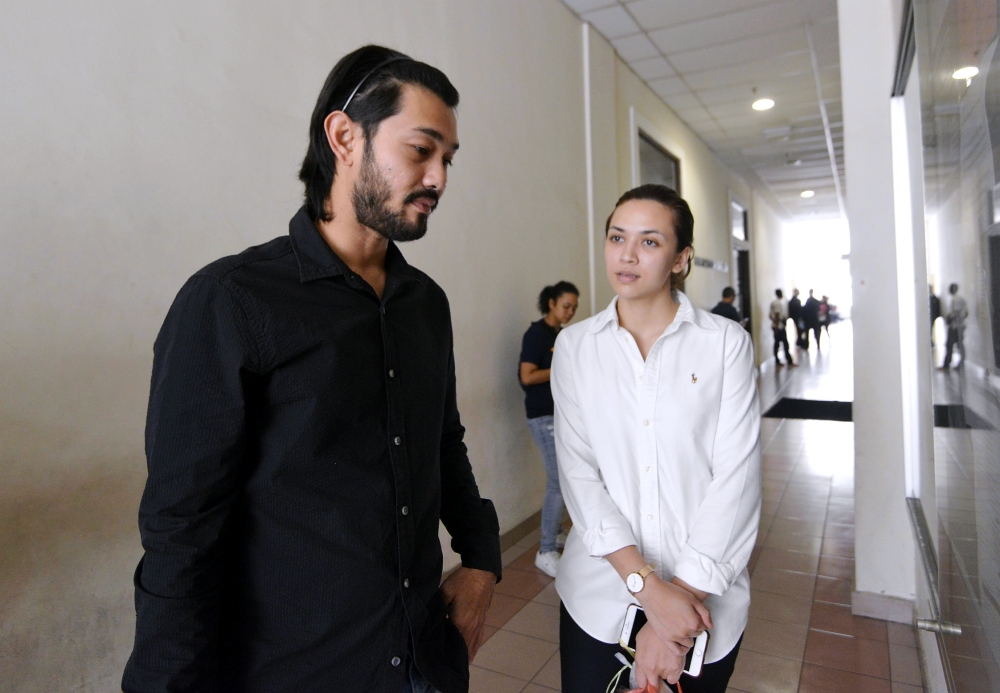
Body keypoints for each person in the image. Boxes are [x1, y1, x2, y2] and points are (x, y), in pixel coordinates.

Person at [122, 45, 502, 693]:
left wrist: (483, 558)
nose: (439, 177)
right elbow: (181, 531)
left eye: (449, 159)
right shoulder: (232, 301)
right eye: (421, 149)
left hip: (423, 661)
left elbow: (443, 441)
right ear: (344, 135)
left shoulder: (425, 305)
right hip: (297, 671)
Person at [552, 185, 761, 693]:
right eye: (617, 237)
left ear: (680, 258)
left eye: (649, 242)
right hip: (598, 600)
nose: (626, 254)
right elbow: (580, 477)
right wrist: (649, 591)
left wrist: (675, 609)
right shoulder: (576, 347)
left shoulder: (723, 344)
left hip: (703, 603)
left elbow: (736, 478)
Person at [519, 281, 579, 577]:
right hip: (542, 417)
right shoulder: (537, 334)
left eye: (574, 308)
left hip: (559, 416)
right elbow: (527, 377)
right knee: (558, 481)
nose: (570, 312)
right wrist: (561, 369)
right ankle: (546, 550)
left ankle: (554, 534)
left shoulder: (560, 335)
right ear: (552, 303)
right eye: (566, 305)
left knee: (563, 479)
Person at [941, 283, 968, 369]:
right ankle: (960, 363)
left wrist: (951, 320)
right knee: (959, 345)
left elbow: (956, 313)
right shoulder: (958, 299)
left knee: (950, 344)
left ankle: (948, 363)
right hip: (958, 325)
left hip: (955, 326)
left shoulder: (956, 300)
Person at [769, 289, 796, 367]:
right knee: (784, 343)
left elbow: (770, 315)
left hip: (777, 325)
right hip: (779, 326)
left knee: (777, 343)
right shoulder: (778, 303)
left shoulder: (775, 302)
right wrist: (777, 326)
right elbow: (777, 315)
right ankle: (788, 360)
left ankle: (778, 360)